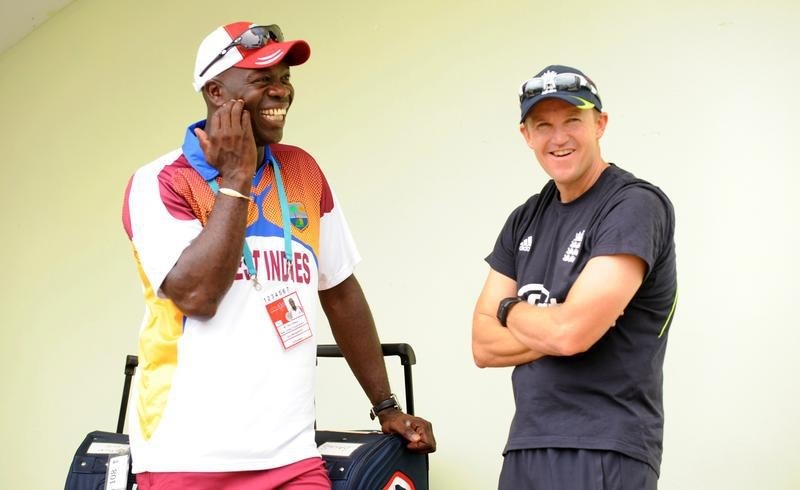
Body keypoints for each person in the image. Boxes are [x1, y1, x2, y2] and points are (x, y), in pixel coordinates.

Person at [122, 21, 435, 489]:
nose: (281, 92)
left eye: (285, 79)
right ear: (214, 91)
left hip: (291, 454)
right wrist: (236, 178)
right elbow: (197, 296)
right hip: (186, 456)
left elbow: (341, 291)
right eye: (262, 80)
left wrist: (386, 405)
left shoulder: (302, 169)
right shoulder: (161, 180)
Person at [471, 65, 677, 489]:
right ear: (526, 135)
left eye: (572, 121)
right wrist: (553, 324)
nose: (558, 137)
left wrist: (508, 308)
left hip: (604, 446)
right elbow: (482, 345)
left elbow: (570, 334)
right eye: (543, 125)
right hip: (526, 444)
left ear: (600, 124)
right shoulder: (524, 219)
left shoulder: (633, 206)